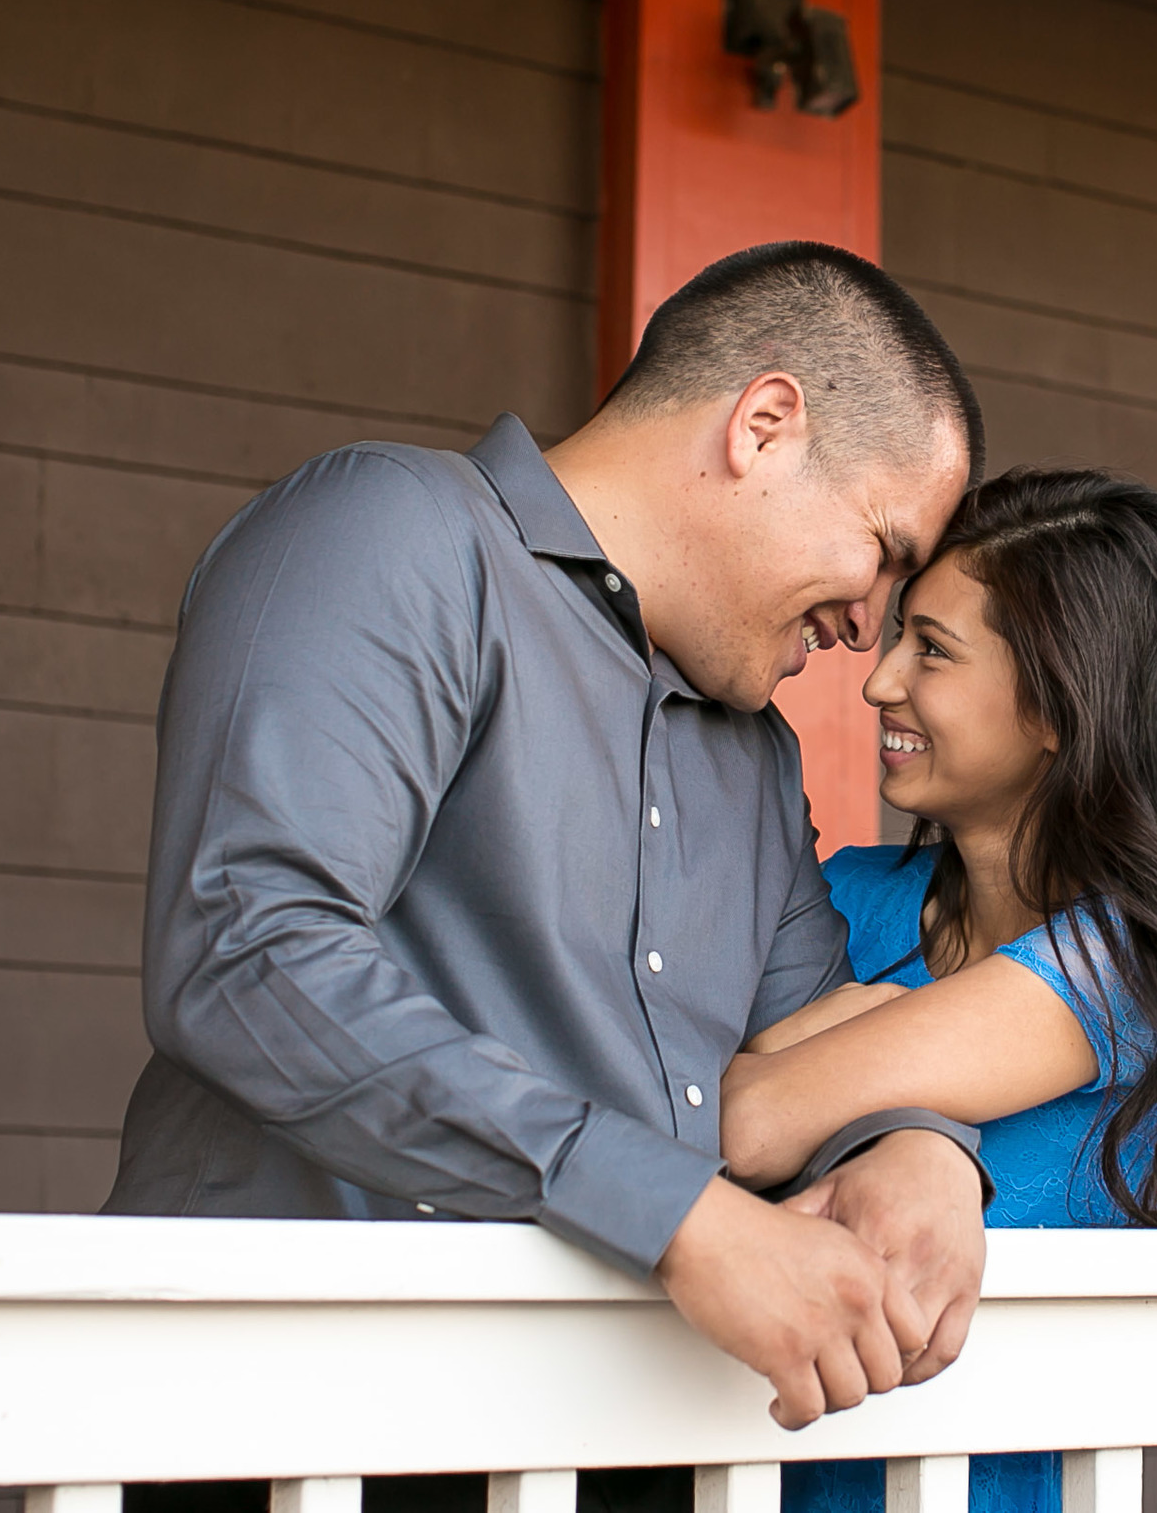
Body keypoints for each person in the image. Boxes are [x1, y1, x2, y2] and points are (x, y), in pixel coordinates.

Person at [101, 242, 996, 1473]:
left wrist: (918, 1147)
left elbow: (802, 1046)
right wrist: (673, 1213)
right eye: (885, 552)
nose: (864, 629)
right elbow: (245, 948)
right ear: (766, 426)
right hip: (300, 1426)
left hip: (614, 1443)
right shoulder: (396, 533)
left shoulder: (753, 760)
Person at [717, 469, 1157, 1513]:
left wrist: (808, 1052)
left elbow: (747, 1120)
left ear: (1058, 704)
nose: (878, 680)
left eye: (932, 650)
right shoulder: (840, 894)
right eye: (896, 635)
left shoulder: (1126, 967)